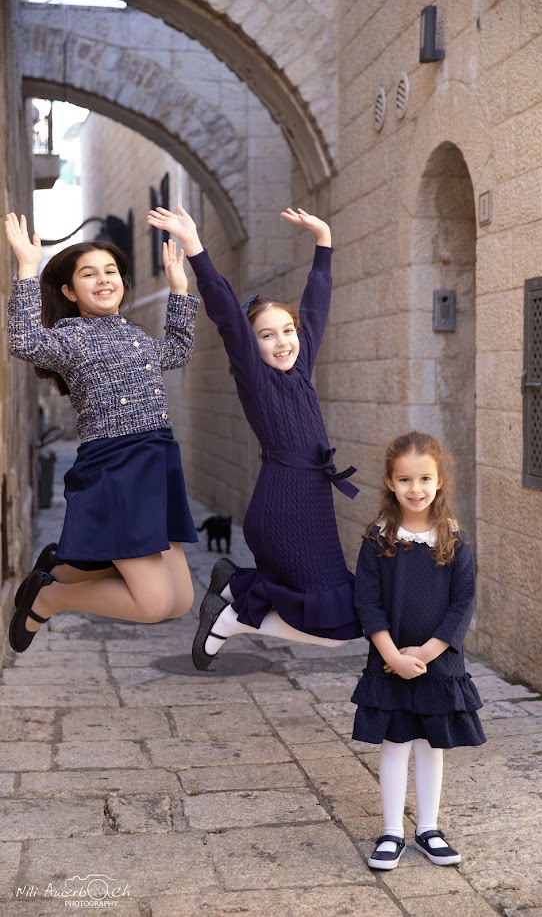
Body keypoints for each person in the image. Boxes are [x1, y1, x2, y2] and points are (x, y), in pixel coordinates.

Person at [147, 205, 362, 670]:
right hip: (284, 507)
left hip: (312, 503)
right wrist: (195, 246)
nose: (282, 342)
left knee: (343, 616)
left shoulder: (300, 369)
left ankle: (233, 585)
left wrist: (324, 241)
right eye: (267, 335)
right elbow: (226, 312)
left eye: (287, 330)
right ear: (252, 345)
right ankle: (232, 620)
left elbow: (317, 302)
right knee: (336, 626)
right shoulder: (256, 378)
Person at [5, 211, 200, 653]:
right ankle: (49, 597)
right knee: (153, 604)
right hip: (117, 467)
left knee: (180, 602)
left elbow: (176, 351)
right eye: (89, 274)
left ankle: (67, 567)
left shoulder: (134, 335)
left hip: (157, 463)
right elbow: (24, 342)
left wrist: (179, 290)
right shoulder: (69, 336)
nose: (103, 279)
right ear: (70, 291)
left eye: (110, 271)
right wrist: (28, 269)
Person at [351, 430, 485, 871]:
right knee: (395, 743)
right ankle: (391, 831)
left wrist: (425, 654)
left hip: (438, 664)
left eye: (425, 478)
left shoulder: (454, 538)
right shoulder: (378, 538)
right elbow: (367, 603)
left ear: (439, 480)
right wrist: (393, 656)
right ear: (390, 482)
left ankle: (428, 828)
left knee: (431, 744)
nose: (416, 489)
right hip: (389, 663)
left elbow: (462, 603)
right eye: (405, 479)